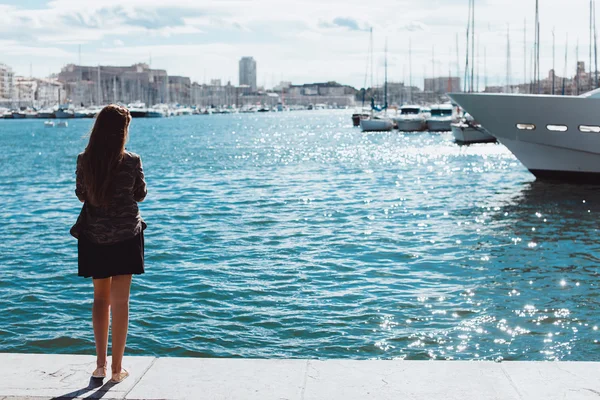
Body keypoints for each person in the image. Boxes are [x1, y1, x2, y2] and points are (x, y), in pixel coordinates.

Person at [70, 104, 147, 383]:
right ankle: (117, 370)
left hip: (94, 236)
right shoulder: (131, 160)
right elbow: (140, 194)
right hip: (126, 236)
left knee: (100, 300)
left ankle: (100, 366)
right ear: (122, 131)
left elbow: (81, 195)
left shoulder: (84, 160)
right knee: (121, 301)